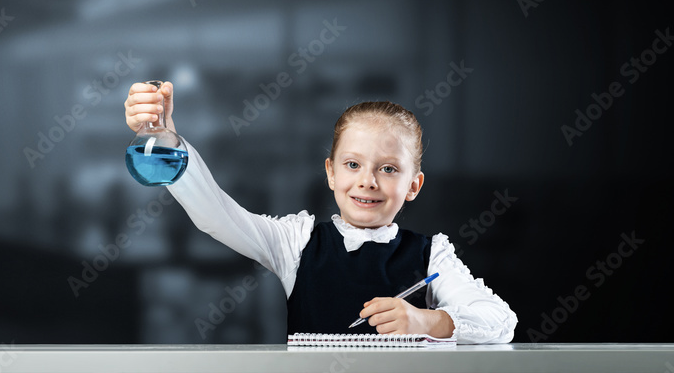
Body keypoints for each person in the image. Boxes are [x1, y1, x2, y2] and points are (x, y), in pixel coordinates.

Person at [124, 81, 517, 343]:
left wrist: (427, 321)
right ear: (330, 172)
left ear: (413, 185)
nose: (367, 181)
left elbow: (501, 321)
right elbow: (215, 213)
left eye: (389, 169)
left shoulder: (434, 254)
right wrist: (165, 138)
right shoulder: (296, 241)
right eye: (352, 165)